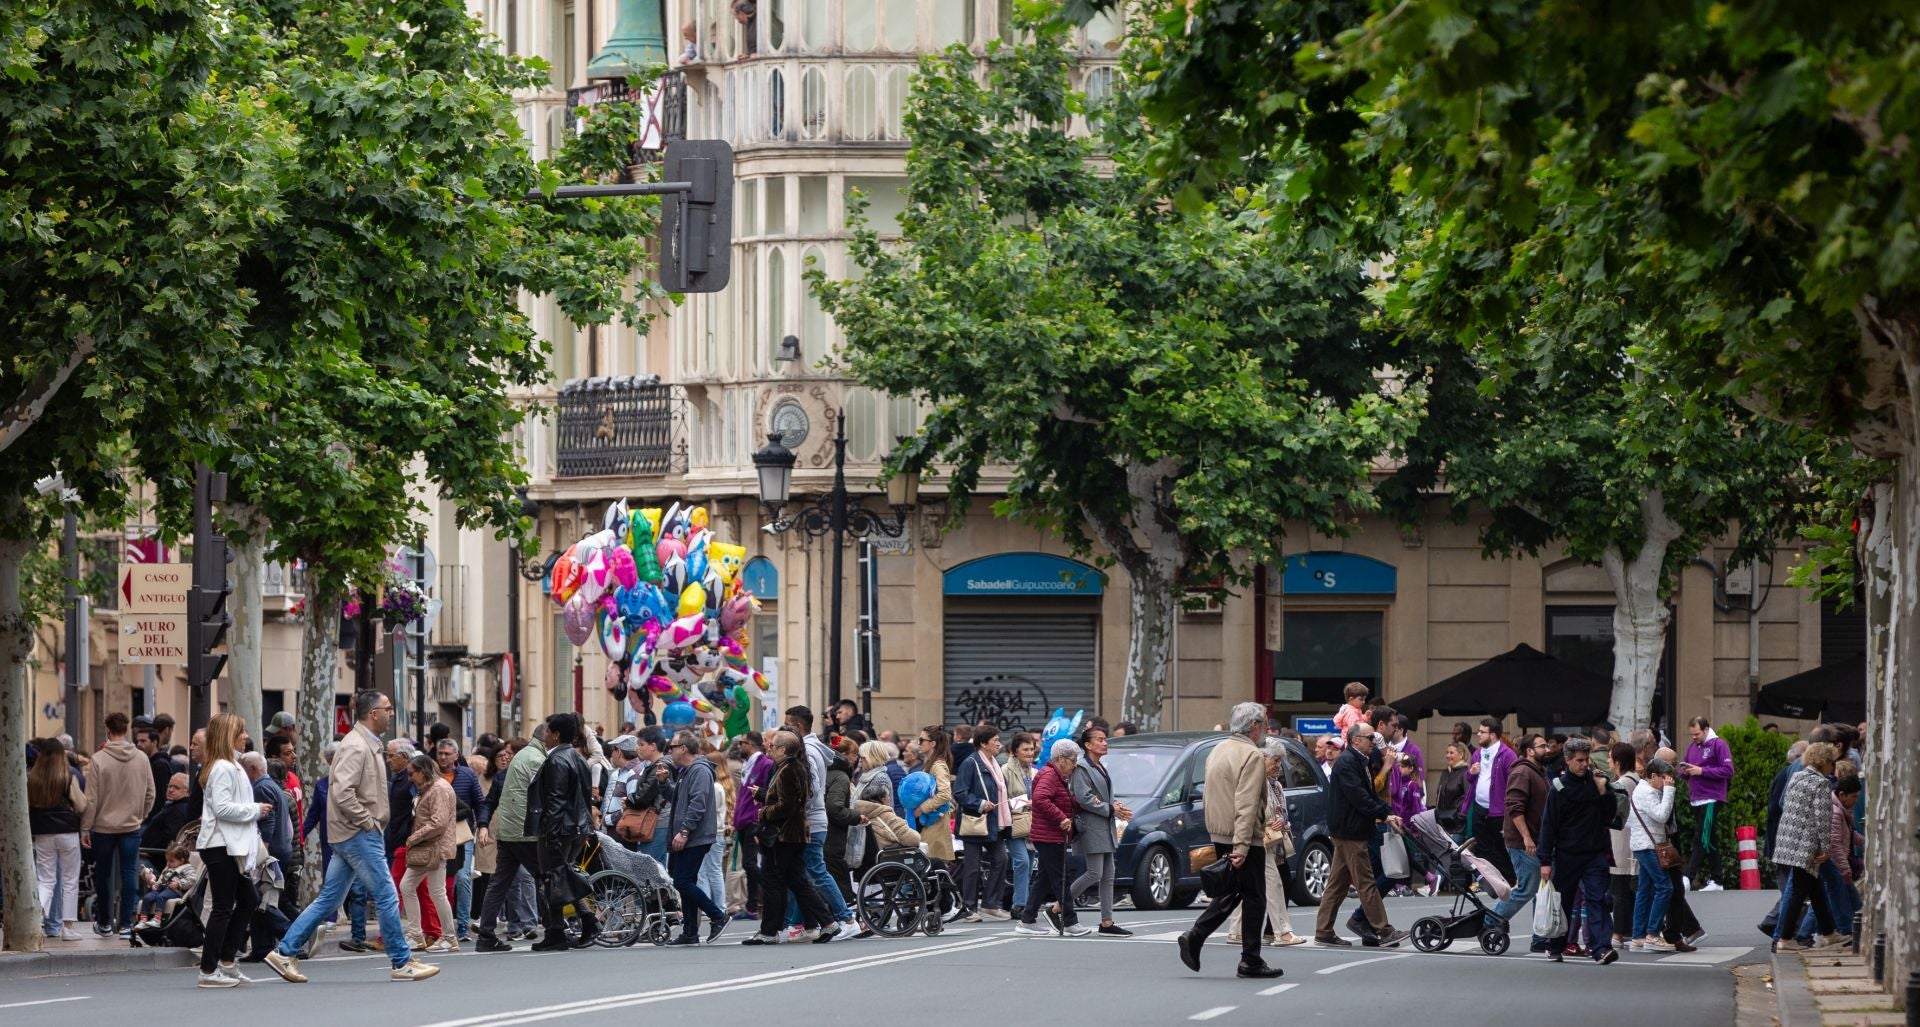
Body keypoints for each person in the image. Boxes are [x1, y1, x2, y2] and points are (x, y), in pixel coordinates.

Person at [266, 692, 438, 983]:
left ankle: (284, 952)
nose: (391, 713)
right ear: (373, 714)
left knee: (329, 899)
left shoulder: (363, 743)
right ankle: (401, 960)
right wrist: (367, 821)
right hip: (358, 833)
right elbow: (342, 791)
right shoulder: (358, 746)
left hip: (350, 833)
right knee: (385, 893)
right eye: (387, 709)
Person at [1177, 702, 1285, 979]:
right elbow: (1247, 803)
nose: (1263, 729)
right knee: (1254, 897)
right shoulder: (1250, 754)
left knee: (1234, 890)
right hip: (1244, 836)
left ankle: (1197, 936)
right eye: (1261, 723)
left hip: (1222, 831)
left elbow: (1209, 795)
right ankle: (1249, 959)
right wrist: (1242, 845)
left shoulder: (1218, 749)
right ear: (1253, 726)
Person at [1313, 722, 1407, 948]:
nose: (1373, 742)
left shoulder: (1359, 761)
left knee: (1337, 884)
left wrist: (1387, 813)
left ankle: (1323, 931)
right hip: (1350, 831)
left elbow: (1370, 795)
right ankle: (1384, 931)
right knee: (1366, 882)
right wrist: (1384, 815)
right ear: (1356, 740)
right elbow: (1359, 798)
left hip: (1350, 830)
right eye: (1369, 738)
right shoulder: (1347, 763)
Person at [742, 731, 836, 944]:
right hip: (793, 834)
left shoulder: (789, 769)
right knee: (798, 880)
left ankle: (769, 932)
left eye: (773, 746)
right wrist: (763, 794)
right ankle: (829, 922)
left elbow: (788, 805)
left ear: (783, 750)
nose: (769, 749)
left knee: (772, 880)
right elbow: (788, 798)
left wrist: (762, 813)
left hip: (783, 835)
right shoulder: (791, 767)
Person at [193, 714, 266, 987]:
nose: (246, 736)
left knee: (248, 899)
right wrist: (256, 810)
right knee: (224, 907)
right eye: (241, 731)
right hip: (221, 845)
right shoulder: (224, 768)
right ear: (228, 735)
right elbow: (223, 809)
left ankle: (224, 961)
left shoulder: (229, 765)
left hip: (228, 845)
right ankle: (209, 969)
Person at [1537, 738, 1619, 965]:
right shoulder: (1559, 788)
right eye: (1579, 761)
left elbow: (1610, 815)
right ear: (1568, 760)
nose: (1584, 765)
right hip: (1567, 854)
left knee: (1598, 899)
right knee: (1564, 901)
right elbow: (1548, 826)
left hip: (1594, 854)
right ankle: (1555, 945)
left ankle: (1602, 948)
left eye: (1587, 760)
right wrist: (1545, 861)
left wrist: (1605, 791)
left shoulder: (1596, 782)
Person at [1226, 737, 1310, 949]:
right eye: (1275, 761)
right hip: (1258, 840)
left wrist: (1281, 821)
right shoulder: (1255, 781)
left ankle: (1236, 932)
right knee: (1273, 885)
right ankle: (1282, 932)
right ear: (1262, 758)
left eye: (1280, 762)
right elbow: (1248, 811)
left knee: (1248, 887)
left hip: (1257, 840)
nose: (1278, 766)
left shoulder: (1271, 784)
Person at [527, 713, 600, 950]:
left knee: (553, 878)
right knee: (563, 876)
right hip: (578, 826)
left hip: (562, 829)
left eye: (547, 732)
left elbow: (556, 801)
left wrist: (551, 834)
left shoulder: (557, 760)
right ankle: (586, 922)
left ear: (556, 735)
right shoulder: (578, 758)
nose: (544, 736)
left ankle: (557, 931)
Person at [781, 707, 856, 937]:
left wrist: (794, 806)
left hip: (810, 821)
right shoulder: (810, 749)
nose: (784, 730)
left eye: (787, 725)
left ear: (797, 727)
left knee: (816, 871)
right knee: (800, 873)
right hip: (810, 820)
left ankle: (847, 919)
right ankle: (801, 925)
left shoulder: (809, 752)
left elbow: (810, 789)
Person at [83, 710, 154, 937]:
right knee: (129, 874)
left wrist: (86, 826)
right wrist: (140, 815)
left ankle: (104, 922)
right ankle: (125, 924)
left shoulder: (98, 759)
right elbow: (151, 793)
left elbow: (91, 798)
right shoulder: (141, 758)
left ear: (107, 730)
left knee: (102, 875)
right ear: (126, 730)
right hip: (131, 826)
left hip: (103, 826)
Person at [476, 727, 548, 952]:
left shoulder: (507, 773)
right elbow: (489, 803)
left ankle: (487, 935)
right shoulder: (528, 766)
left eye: (509, 752)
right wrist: (483, 825)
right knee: (549, 876)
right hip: (525, 835)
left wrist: (484, 825)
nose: (505, 756)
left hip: (509, 835)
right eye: (503, 753)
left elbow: (489, 803)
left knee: (501, 883)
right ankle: (570, 924)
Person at [1016, 739, 1090, 937]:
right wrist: (1061, 818)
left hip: (1048, 834)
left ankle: (1027, 919)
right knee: (1060, 879)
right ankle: (1070, 921)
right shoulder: (1050, 775)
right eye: (1072, 760)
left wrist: (1085, 803)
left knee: (1045, 878)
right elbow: (1040, 799)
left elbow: (1062, 799)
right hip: (1049, 835)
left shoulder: (1056, 775)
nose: (1074, 764)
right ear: (1061, 758)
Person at [1771, 742, 1841, 951]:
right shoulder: (1820, 783)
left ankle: (1829, 932)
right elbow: (1823, 818)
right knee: (1798, 892)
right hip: (1806, 843)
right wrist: (1826, 848)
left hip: (1789, 840)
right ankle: (1784, 938)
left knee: (1815, 888)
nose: (1833, 767)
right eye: (1832, 763)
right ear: (1824, 762)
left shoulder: (1797, 777)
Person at [665, 729, 731, 945]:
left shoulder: (699, 770)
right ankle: (690, 931)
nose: (670, 750)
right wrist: (664, 783)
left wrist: (684, 831)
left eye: (673, 746)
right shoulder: (687, 771)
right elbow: (679, 800)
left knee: (682, 881)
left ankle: (718, 915)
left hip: (695, 836)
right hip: (690, 835)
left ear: (683, 748)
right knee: (687, 880)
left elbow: (698, 804)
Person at [1068, 722, 1132, 936]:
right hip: (1091, 825)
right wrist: (1110, 809)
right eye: (1100, 739)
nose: (1105, 743)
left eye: (1105, 739)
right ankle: (1060, 906)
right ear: (1087, 744)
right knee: (1095, 872)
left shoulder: (1099, 766)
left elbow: (1101, 796)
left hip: (1104, 825)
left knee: (1108, 875)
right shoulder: (1081, 767)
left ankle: (1107, 922)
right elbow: (1084, 798)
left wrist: (1116, 807)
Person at [1486, 733, 1550, 943]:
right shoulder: (1523, 772)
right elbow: (1514, 807)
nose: (1547, 749)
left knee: (1540, 887)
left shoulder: (1539, 772)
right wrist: (1526, 837)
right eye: (1542, 746)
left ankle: (1540, 937)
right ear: (1529, 751)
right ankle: (1490, 921)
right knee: (1527, 888)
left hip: (1535, 840)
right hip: (1523, 842)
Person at [29, 736, 89, 941]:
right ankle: (68, 927)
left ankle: (36, 916)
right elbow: (81, 805)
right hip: (67, 832)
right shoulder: (68, 776)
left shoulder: (33, 778)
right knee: (70, 880)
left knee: (45, 879)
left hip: (43, 833)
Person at [954, 724, 1014, 921]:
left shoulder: (994, 763)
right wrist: (979, 803)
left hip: (993, 822)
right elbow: (960, 792)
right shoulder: (971, 763)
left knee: (1001, 859)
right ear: (983, 743)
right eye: (995, 740)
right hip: (976, 821)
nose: (999, 744)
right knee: (973, 866)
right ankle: (969, 908)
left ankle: (990, 903)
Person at [399, 753, 458, 952]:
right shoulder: (431, 788)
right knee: (408, 886)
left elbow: (438, 823)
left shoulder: (438, 788)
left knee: (436, 891)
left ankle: (448, 936)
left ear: (422, 771)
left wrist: (413, 838)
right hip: (429, 848)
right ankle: (417, 935)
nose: (410, 778)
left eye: (412, 773)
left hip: (434, 847)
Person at [433, 738, 485, 941]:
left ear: (456, 755)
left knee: (463, 878)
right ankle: (443, 925)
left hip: (462, 835)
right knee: (441, 882)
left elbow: (479, 803)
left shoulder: (467, 775)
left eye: (447, 753)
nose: (443, 757)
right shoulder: (433, 776)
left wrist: (482, 826)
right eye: (440, 753)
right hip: (436, 835)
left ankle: (463, 924)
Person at [1627, 757, 1678, 951]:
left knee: (1644, 889)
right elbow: (1662, 815)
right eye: (1665, 778)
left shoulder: (1644, 789)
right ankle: (1652, 934)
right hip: (1648, 846)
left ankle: (1638, 936)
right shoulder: (1647, 792)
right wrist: (1670, 792)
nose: (1667, 782)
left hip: (1644, 844)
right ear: (1653, 776)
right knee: (1665, 887)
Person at [1679, 717, 1733, 890]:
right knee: (1709, 838)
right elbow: (1685, 770)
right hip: (1697, 798)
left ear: (1706, 729)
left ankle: (1688, 876)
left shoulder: (1719, 745)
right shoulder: (1693, 747)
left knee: (1701, 837)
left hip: (1711, 798)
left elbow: (1728, 770)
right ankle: (1717, 880)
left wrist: (1701, 771)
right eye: (1692, 734)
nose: (1694, 737)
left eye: (1696, 734)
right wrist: (1685, 771)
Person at [1463, 718, 1518, 885]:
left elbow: (1513, 781)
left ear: (1493, 735)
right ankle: (1489, 881)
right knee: (1482, 848)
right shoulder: (1477, 753)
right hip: (1479, 807)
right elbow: (1469, 779)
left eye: (1482, 732)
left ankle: (1510, 878)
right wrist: (1471, 773)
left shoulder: (1507, 755)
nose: (1478, 734)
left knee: (1501, 847)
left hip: (1498, 811)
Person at [734, 732, 772, 919]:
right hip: (743, 820)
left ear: (749, 744)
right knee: (747, 864)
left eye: (741, 743)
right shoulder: (747, 764)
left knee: (750, 863)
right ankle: (751, 907)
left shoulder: (765, 764)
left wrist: (760, 821)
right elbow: (743, 796)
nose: (739, 746)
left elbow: (766, 794)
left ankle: (770, 891)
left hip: (753, 820)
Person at [822, 734, 863, 906]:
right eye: (855, 755)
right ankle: (847, 910)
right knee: (836, 873)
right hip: (833, 835)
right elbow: (834, 808)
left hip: (822, 831)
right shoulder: (841, 776)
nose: (857, 759)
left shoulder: (824, 770)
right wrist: (856, 816)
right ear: (845, 754)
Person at [1002, 732, 1038, 919]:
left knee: (1030, 864)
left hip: (1032, 823)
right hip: (1014, 823)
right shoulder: (1005, 771)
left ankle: (1023, 903)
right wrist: (1025, 802)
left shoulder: (1035, 771)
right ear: (1015, 751)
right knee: (1022, 862)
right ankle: (1020, 905)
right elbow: (1002, 801)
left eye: (1032, 749)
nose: (1030, 752)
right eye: (1025, 749)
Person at [915, 724, 957, 873]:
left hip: (935, 821)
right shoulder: (931, 763)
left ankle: (946, 896)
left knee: (931, 865)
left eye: (921, 740)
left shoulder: (938, 765)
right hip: (931, 820)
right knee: (930, 866)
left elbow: (945, 794)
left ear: (932, 743)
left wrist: (922, 808)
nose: (918, 743)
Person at [137, 842, 198, 926]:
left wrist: (179, 884)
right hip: (163, 888)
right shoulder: (169, 868)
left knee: (161, 897)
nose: (168, 863)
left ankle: (157, 919)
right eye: (167, 861)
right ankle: (143, 919)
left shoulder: (187, 868)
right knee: (147, 897)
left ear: (181, 860)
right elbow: (163, 879)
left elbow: (192, 880)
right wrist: (155, 883)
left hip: (175, 890)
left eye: (171, 861)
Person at [143, 772, 194, 850]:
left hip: (154, 854)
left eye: (176, 788)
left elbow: (170, 838)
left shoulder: (178, 810)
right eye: (169, 786)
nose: (170, 790)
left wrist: (151, 848)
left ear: (187, 792)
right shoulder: (175, 806)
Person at [1433, 742, 1470, 843]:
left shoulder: (1466, 772)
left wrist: (1460, 816)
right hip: (1442, 824)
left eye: (1451, 753)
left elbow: (1468, 797)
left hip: (1457, 827)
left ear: (1461, 755)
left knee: (1453, 856)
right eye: (1447, 752)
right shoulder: (1445, 772)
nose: (1447, 755)